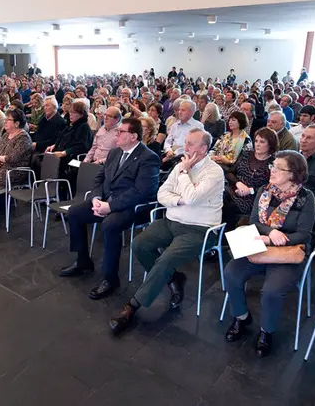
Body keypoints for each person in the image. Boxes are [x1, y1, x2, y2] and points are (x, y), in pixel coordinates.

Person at [108, 129, 223, 335]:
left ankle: (132, 306)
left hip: (200, 229)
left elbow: (194, 198)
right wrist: (178, 200)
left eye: (190, 144)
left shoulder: (214, 172)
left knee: (166, 259)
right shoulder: (180, 166)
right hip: (171, 220)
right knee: (140, 244)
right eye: (185, 142)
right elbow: (162, 193)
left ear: (204, 149)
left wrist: (186, 174)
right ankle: (172, 279)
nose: (184, 147)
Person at [223, 150, 315, 355]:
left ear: (292, 174)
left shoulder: (305, 198)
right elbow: (255, 222)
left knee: (271, 291)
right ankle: (241, 317)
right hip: (262, 245)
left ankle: (267, 331)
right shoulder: (264, 191)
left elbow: (304, 234)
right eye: (272, 165)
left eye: (277, 168)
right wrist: (270, 232)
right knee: (231, 273)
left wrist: (281, 238)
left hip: (287, 252)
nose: (271, 170)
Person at [60, 118, 161, 298]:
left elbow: (141, 192)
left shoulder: (148, 158)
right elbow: (99, 178)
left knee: (110, 225)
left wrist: (110, 206)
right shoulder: (115, 153)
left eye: (121, 131)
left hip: (132, 207)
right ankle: (83, 260)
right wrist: (96, 199)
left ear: (133, 136)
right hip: (106, 200)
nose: (117, 134)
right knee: (75, 212)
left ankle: (110, 278)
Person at [222, 127, 277, 227]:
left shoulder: (274, 163)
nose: (257, 144)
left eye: (262, 142)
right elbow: (230, 173)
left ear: (270, 144)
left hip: (252, 198)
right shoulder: (246, 154)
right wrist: (238, 183)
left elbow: (271, 187)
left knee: (227, 206)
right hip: (233, 189)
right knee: (219, 197)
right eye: (256, 141)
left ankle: (222, 236)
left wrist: (250, 190)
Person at [162, 99, 204, 169]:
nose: (179, 112)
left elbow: (196, 146)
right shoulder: (174, 126)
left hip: (187, 157)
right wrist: (168, 150)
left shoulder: (198, 126)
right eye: (179, 110)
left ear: (191, 112)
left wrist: (175, 153)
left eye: (183, 110)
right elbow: (168, 141)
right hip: (171, 155)